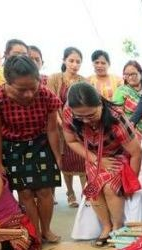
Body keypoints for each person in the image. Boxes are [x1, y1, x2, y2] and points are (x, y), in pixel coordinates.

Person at [0, 55, 63, 243]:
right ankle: (33, 232)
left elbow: (52, 129)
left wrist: (57, 156)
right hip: (12, 147)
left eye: (32, 88)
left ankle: (47, 230)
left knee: (45, 191)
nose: (28, 94)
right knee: (25, 193)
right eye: (21, 90)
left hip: (40, 143)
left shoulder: (46, 95)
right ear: (7, 83)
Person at [62, 82, 142, 246]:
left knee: (110, 188)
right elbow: (70, 141)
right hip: (93, 156)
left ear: (100, 103)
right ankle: (106, 226)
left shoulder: (116, 118)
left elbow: (136, 152)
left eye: (91, 115)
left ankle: (117, 226)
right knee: (93, 190)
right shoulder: (69, 113)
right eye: (80, 117)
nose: (85, 121)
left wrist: (130, 183)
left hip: (118, 156)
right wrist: (96, 160)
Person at [48, 47, 87, 208]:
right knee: (66, 161)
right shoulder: (55, 78)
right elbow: (51, 102)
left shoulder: (83, 81)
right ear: (64, 60)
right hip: (58, 127)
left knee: (82, 159)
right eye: (71, 60)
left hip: (78, 127)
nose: (74, 64)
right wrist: (59, 120)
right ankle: (70, 193)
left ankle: (86, 193)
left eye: (78, 61)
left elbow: (85, 103)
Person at [113, 60, 142, 186]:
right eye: (126, 75)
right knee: (135, 161)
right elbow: (116, 113)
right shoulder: (121, 91)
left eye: (133, 74)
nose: (130, 77)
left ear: (141, 73)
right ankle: (133, 187)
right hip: (132, 132)